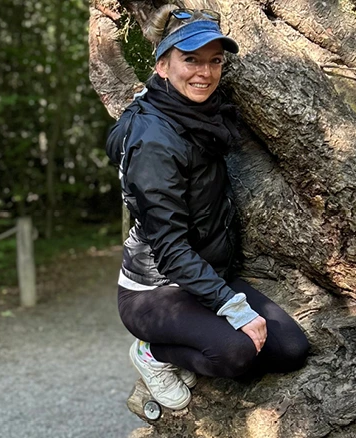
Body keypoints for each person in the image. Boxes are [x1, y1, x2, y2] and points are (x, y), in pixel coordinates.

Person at [108, 5, 309, 411]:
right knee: (235, 352)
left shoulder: (197, 115)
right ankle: (152, 354)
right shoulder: (154, 141)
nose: (205, 72)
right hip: (155, 290)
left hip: (205, 277)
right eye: (191, 60)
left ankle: (202, 331)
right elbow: (169, 248)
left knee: (290, 349)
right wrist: (234, 308)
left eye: (214, 61)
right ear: (162, 66)